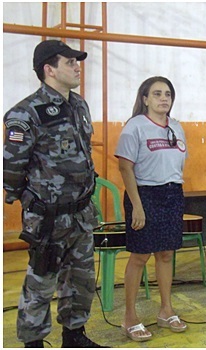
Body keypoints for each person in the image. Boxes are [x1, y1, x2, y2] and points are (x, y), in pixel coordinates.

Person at [3, 40, 106, 348]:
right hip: (48, 217)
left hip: (81, 214)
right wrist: (33, 203)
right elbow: (11, 168)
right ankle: (33, 342)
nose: (77, 67)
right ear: (49, 69)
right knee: (41, 281)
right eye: (70, 62)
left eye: (78, 61)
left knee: (81, 280)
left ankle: (74, 336)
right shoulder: (25, 113)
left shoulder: (78, 105)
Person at [115, 76, 188, 341]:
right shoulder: (134, 127)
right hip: (144, 195)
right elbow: (125, 167)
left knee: (166, 254)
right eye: (157, 94)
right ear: (145, 99)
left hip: (172, 194)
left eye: (167, 93)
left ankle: (166, 310)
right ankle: (130, 317)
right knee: (140, 256)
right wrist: (137, 205)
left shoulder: (177, 127)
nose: (163, 98)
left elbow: (179, 162)